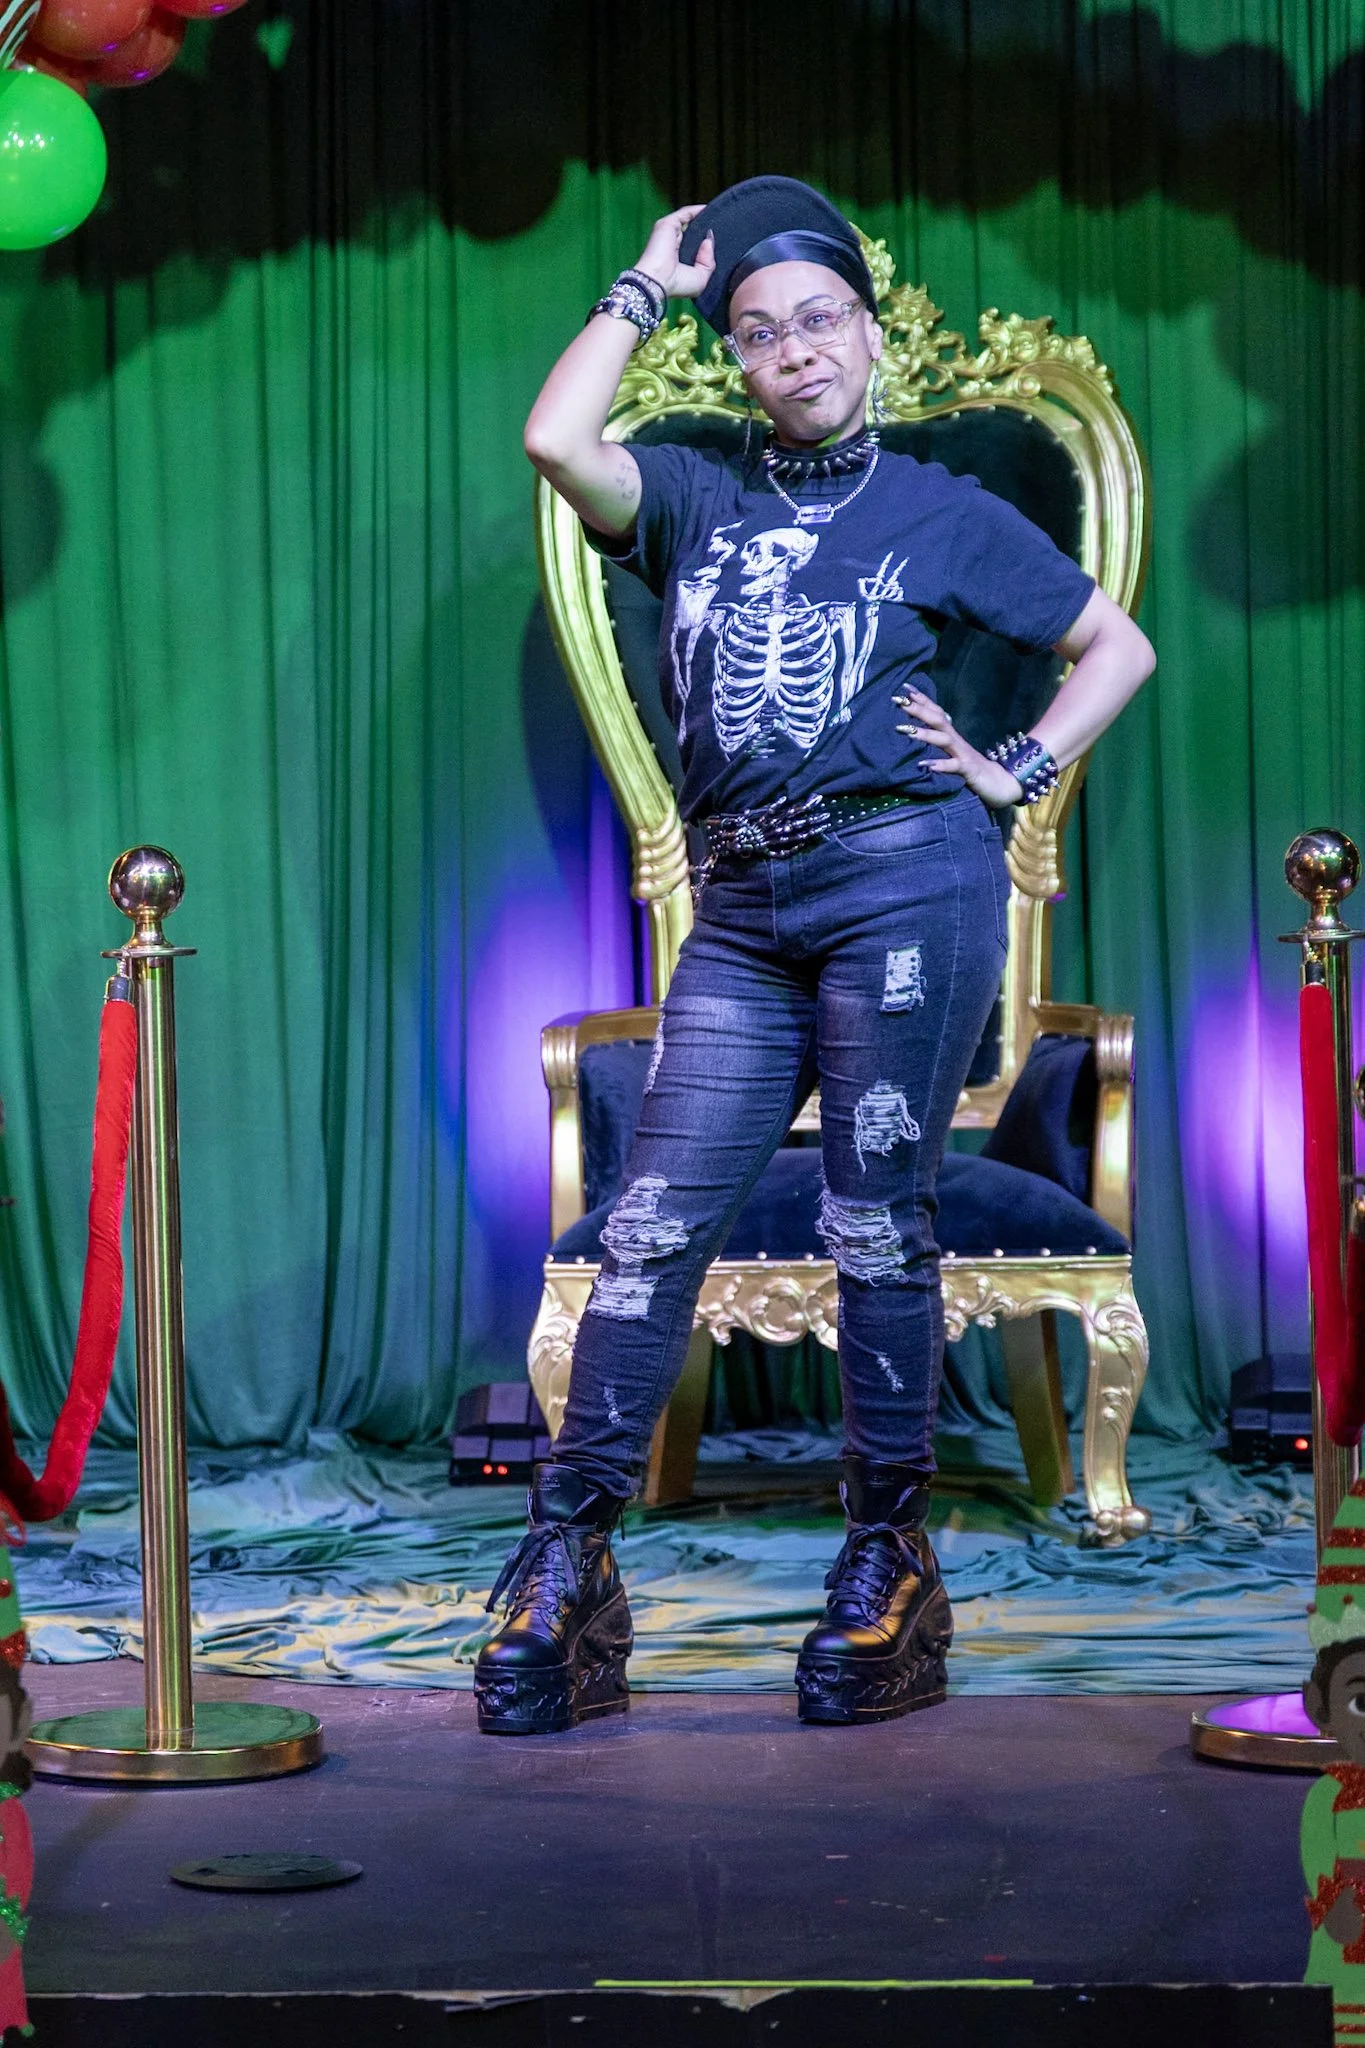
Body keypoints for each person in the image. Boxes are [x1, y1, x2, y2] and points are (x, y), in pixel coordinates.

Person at [475, 176, 1155, 1736]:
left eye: (822, 320)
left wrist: (1015, 769)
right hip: (741, 913)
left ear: (866, 333)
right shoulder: (693, 493)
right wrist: (645, 286)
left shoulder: (940, 507)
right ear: (738, 359)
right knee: (651, 1226)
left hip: (903, 885)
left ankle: (888, 1562)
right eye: (764, 332)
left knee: (875, 1225)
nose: (797, 351)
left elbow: (1115, 645)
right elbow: (556, 441)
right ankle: (568, 1564)